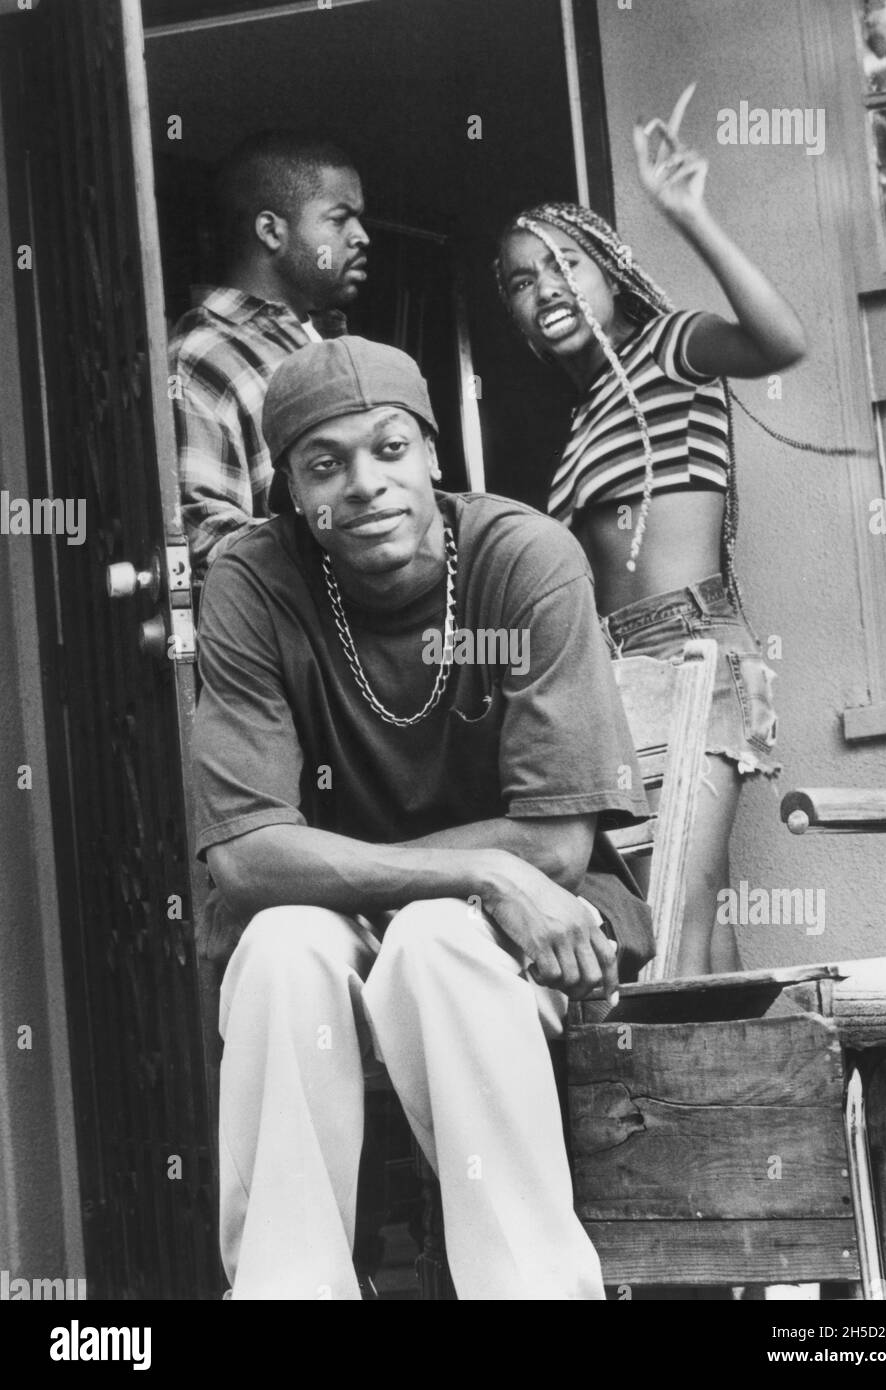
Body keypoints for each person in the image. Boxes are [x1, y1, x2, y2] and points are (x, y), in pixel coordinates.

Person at [191, 335, 653, 1300]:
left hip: (526, 937)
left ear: (434, 454)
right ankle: (287, 1288)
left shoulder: (522, 557)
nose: (364, 484)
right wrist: (478, 868)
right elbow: (245, 859)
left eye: (390, 449)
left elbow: (556, 847)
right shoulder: (251, 580)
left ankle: (528, 1288)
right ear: (291, 493)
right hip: (352, 925)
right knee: (279, 946)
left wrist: (384, 876)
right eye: (326, 466)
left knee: (435, 939)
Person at [495, 90, 807, 977]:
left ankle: (686, 1103)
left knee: (676, 910)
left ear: (612, 274)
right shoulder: (586, 413)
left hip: (690, 652)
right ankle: (745, 1095)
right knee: (691, 903)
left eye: (565, 265)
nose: (544, 287)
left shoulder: (670, 346)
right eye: (521, 279)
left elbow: (780, 342)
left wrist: (690, 212)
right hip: (616, 671)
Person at [169, 130, 370, 575]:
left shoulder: (330, 341)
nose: (362, 237)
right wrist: (352, 548)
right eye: (340, 219)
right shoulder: (204, 355)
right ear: (270, 231)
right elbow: (202, 534)